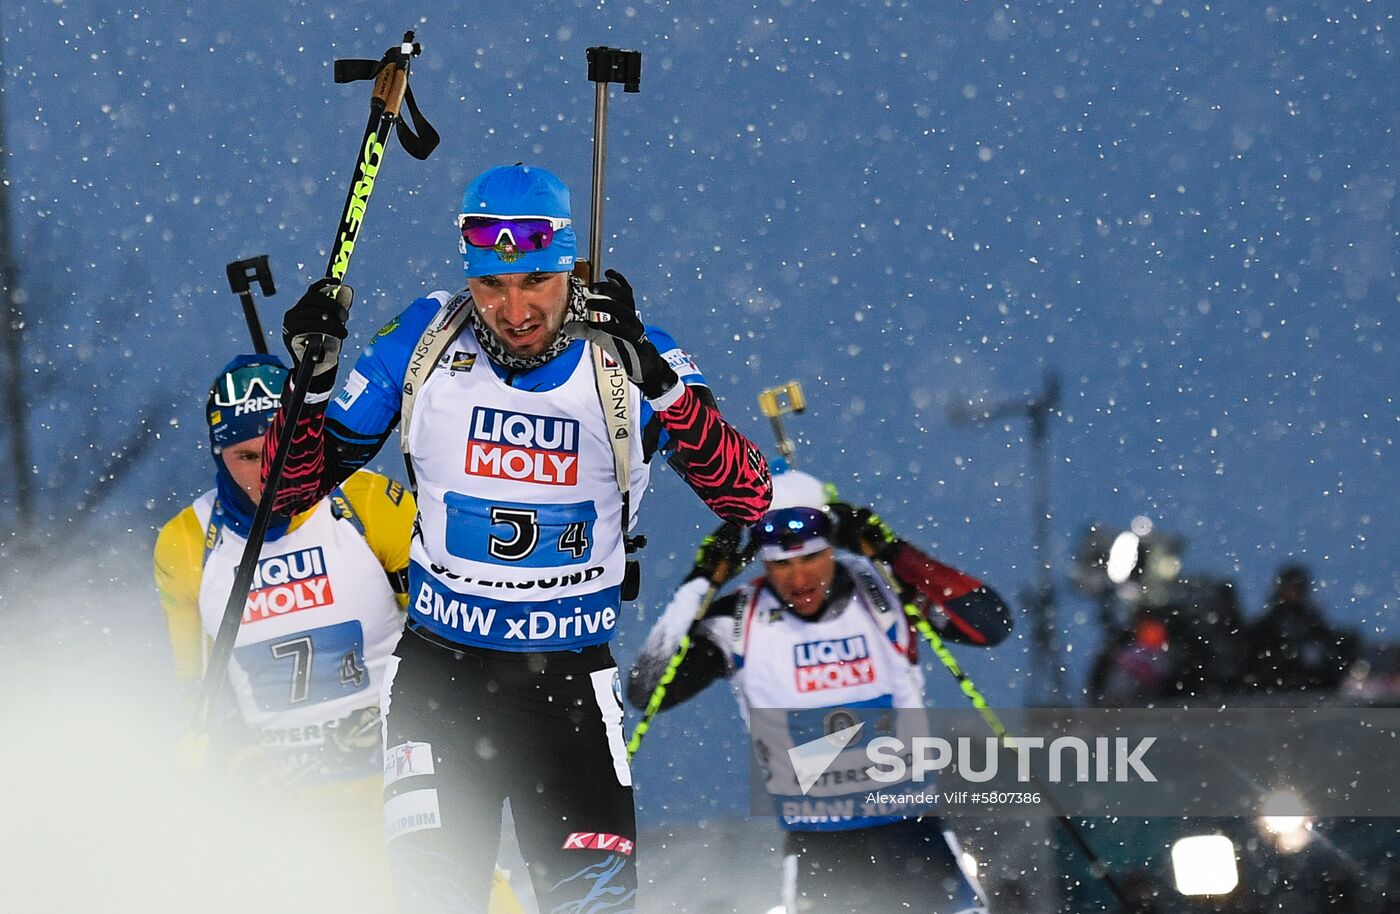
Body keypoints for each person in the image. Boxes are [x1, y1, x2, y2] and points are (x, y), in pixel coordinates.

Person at [260, 164, 772, 912]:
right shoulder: (427, 336)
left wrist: (658, 379)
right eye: (492, 285)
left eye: (535, 280)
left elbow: (747, 494)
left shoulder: (626, 355)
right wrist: (308, 383)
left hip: (566, 690)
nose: (514, 307)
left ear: (568, 266)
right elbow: (287, 492)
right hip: (440, 683)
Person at [627, 468, 1012, 914]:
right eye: (781, 564)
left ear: (832, 546)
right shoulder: (738, 619)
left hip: (912, 836)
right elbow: (647, 687)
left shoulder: (884, 590)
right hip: (822, 849)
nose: (798, 578)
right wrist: (701, 579)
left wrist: (893, 550)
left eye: (810, 558)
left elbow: (990, 624)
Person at [152, 354, 417, 905]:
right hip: (286, 803)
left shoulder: (369, 504)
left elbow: (451, 638)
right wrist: (235, 758)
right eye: (245, 456)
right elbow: (193, 689)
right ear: (217, 453)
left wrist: (396, 713)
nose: (264, 473)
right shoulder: (184, 544)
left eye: (278, 449)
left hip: (398, 778)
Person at [1243, 562, 1358, 694]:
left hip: (1309, 690)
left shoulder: (1311, 622)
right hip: (1275, 691)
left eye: (1297, 588)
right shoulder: (1268, 625)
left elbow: (1328, 649)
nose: (1293, 593)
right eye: (1290, 587)